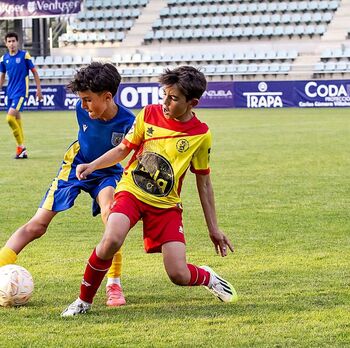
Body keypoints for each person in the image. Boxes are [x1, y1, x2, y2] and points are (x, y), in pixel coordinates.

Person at [61, 66, 238, 317]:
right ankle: (83, 301)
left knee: (178, 274)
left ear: (193, 102)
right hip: (131, 191)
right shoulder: (148, 114)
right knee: (111, 238)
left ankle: (208, 277)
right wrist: (93, 165)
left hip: (166, 205)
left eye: (174, 98)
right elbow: (123, 149)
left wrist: (214, 228)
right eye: (164, 94)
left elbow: (204, 184)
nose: (165, 102)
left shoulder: (201, 134)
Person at [0, 62, 135, 307]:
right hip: (75, 165)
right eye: (81, 99)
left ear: (107, 96)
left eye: (87, 99)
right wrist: (87, 164)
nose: (82, 105)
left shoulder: (129, 121)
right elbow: (88, 138)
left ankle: (114, 284)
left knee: (110, 214)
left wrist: (96, 167)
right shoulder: (82, 109)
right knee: (38, 225)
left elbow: (123, 153)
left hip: (107, 172)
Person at [0, 32, 43, 159]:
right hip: (10, 92)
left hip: (21, 92)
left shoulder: (25, 56)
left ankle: (21, 147)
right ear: (5, 43)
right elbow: (2, 76)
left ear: (17, 42)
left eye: (13, 41)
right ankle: (22, 149)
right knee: (17, 119)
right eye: (9, 41)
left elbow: (34, 72)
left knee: (9, 118)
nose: (11, 44)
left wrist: (38, 89)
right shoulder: (4, 59)